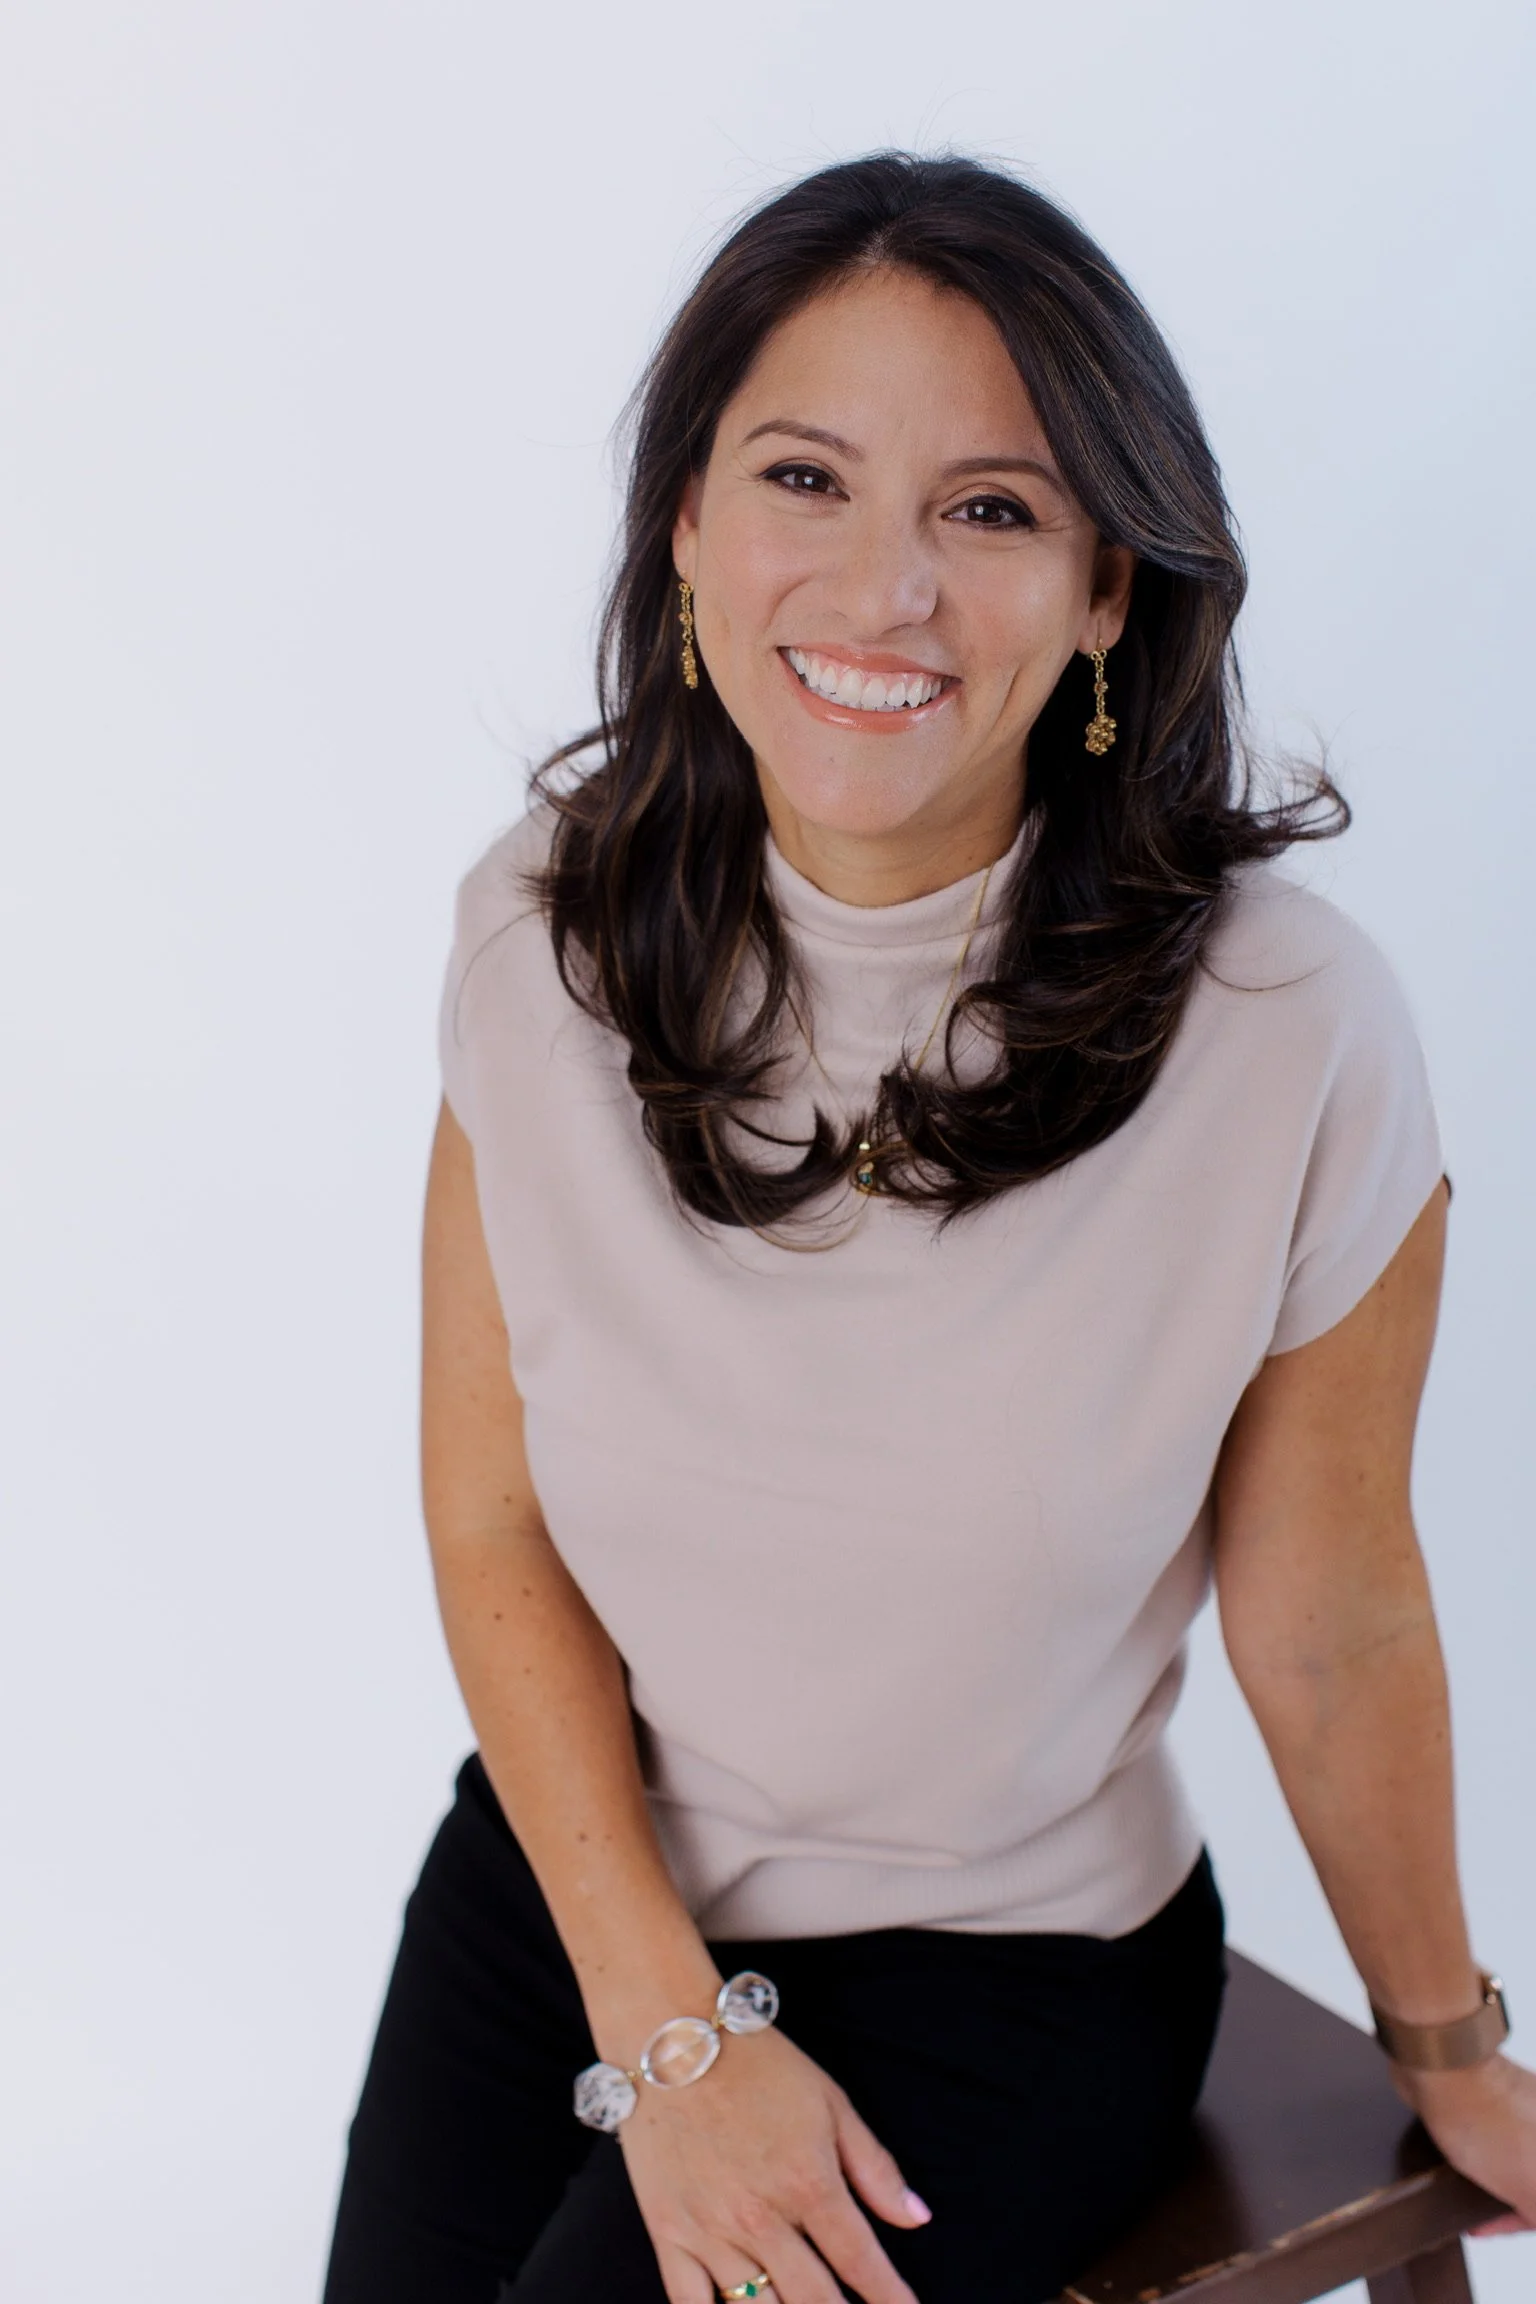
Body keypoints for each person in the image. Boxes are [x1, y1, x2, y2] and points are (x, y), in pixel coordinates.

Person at [321, 153, 1535, 2304]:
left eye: (991, 509)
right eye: (807, 478)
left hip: (1009, 1967)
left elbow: (1328, 1615)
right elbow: (495, 1521)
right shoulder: (543, 932)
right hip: (575, 1884)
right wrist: (667, 2022)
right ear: (689, 530)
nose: (885, 594)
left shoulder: (1290, 1027)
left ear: (1108, 592)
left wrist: (1446, 2033)